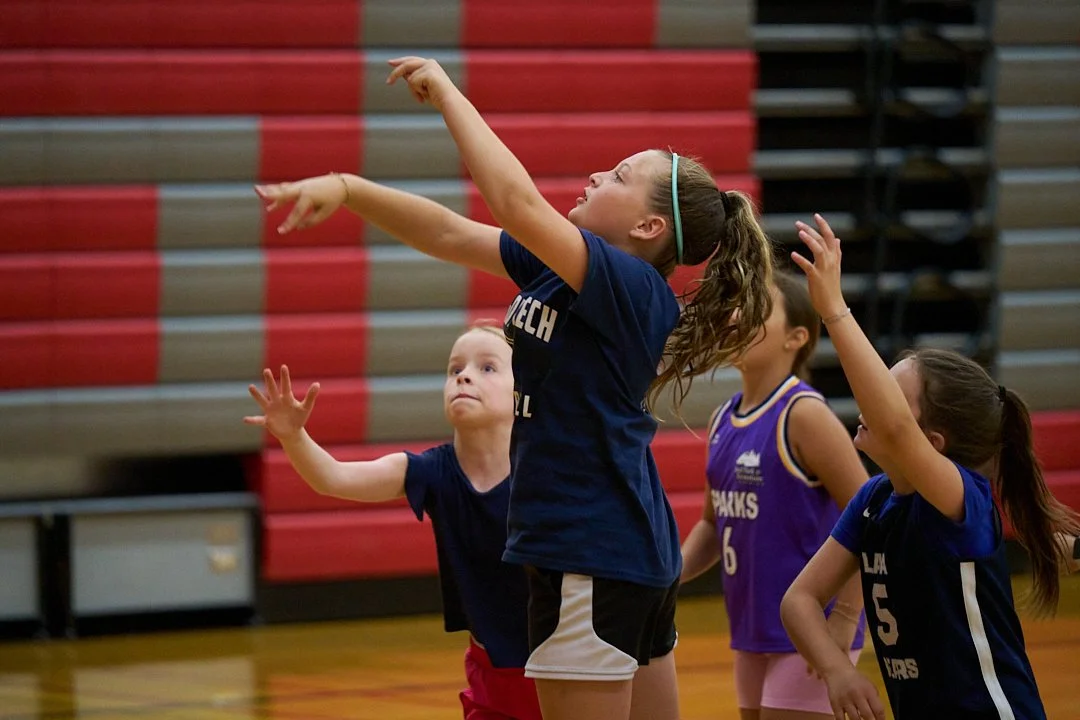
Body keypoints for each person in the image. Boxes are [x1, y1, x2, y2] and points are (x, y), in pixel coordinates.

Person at [254, 57, 776, 720]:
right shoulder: (570, 274)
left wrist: (445, 91)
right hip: (622, 547)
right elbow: (450, 232)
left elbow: (515, 202)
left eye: (618, 176)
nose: (595, 174)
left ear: (650, 229)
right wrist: (350, 188)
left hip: (587, 547)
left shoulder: (631, 286)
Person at [780, 215, 1080, 720]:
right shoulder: (875, 501)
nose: (868, 405)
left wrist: (834, 309)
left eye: (888, 398)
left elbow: (896, 428)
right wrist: (837, 669)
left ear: (932, 442)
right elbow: (800, 600)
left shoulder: (961, 499)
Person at [243, 324, 542, 720]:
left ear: (522, 394)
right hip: (491, 671)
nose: (464, 376)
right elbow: (333, 478)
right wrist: (293, 437)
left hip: (559, 665)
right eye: (455, 369)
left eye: (487, 368)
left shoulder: (543, 471)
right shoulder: (431, 471)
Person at [681, 271, 869, 720]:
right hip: (751, 630)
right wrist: (665, 576)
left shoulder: (804, 414)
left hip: (811, 632)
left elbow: (871, 514)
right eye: (735, 305)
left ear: (796, 337)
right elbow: (712, 524)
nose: (735, 315)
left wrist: (845, 616)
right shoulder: (722, 418)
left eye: (755, 307)